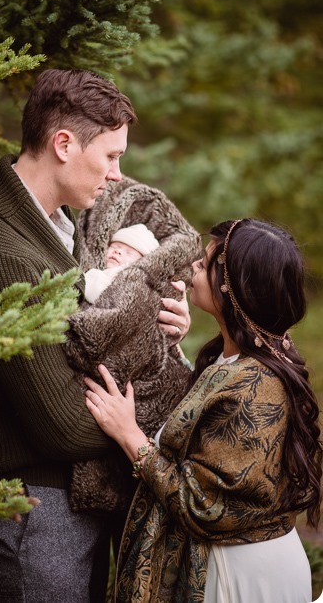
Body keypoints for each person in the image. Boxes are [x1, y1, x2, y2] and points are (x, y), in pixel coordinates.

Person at [0, 68, 191, 603]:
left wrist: (161, 332)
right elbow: (67, 429)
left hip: (69, 500)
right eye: (111, 156)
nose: (117, 175)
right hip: (36, 509)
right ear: (63, 144)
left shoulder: (61, 225)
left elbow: (94, 336)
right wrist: (149, 432)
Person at [84, 218, 322, 603]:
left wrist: (129, 437)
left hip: (238, 577)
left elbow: (204, 507)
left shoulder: (257, 386)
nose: (194, 264)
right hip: (230, 564)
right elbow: (201, 426)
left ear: (231, 285)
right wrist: (171, 346)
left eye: (207, 261)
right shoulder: (242, 357)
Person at [66, 217, 199, 519]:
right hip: (118, 429)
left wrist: (129, 433)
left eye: (125, 250)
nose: (115, 252)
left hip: (143, 450)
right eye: (113, 247)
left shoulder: (135, 284)